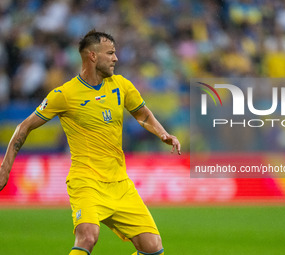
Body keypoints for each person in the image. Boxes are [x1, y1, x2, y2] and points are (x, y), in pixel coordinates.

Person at [0, 29, 181, 255]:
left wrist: (163, 133)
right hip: (86, 181)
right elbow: (23, 127)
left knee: (153, 249)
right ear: (93, 56)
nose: (116, 58)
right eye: (111, 53)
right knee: (88, 236)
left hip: (119, 183)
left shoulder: (122, 85)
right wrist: (5, 169)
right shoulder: (64, 94)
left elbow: (142, 114)